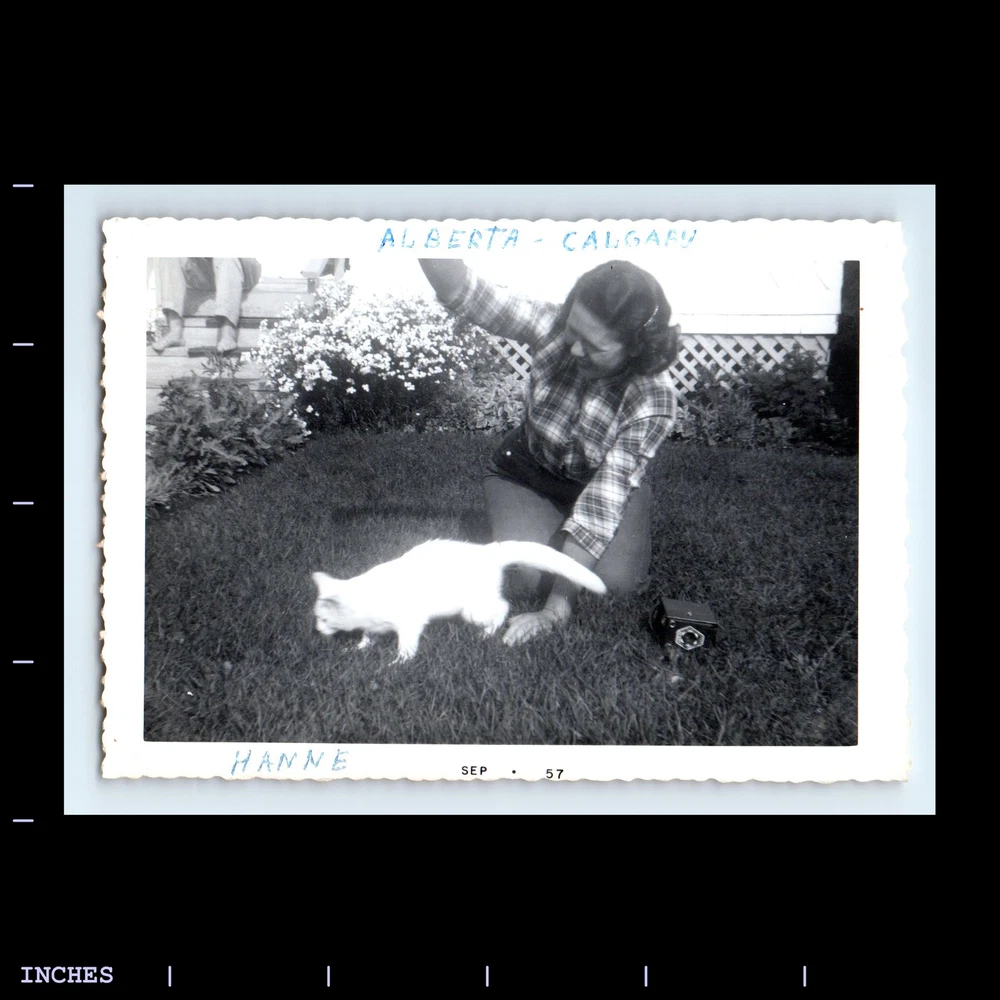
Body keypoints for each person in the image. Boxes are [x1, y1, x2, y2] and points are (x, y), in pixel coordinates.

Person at [419, 258, 681, 647]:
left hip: (602, 485)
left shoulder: (653, 398)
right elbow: (467, 293)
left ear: (635, 349)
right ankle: (543, 523)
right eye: (572, 332)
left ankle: (603, 519)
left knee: (612, 586)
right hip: (525, 472)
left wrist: (557, 609)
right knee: (533, 579)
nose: (573, 349)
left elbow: (601, 506)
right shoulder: (551, 325)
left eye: (594, 346)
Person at [151, 257, 262, 354]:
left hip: (242, 268)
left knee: (225, 256)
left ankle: (228, 332)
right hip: (210, 269)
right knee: (169, 257)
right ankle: (175, 331)